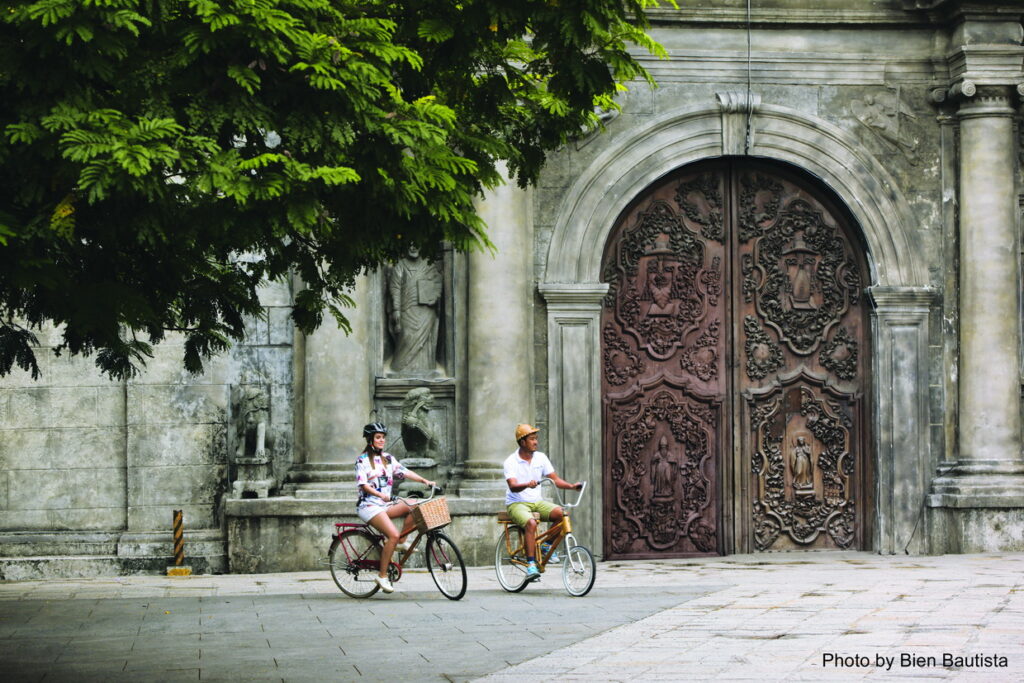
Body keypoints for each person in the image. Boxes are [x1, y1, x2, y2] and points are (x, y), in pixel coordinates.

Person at [354, 422, 435, 593]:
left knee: (416, 504)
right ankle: (382, 576)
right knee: (392, 534)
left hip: (385, 504)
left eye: (383, 437)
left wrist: (424, 481)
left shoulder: (388, 459)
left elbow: (405, 472)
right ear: (370, 440)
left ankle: (401, 543)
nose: (381, 440)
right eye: (378, 437)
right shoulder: (362, 461)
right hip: (369, 505)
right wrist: (380, 495)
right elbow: (363, 485)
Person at [503, 424, 582, 581]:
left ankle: (545, 546)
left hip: (536, 501)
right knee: (531, 524)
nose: (535, 442)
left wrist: (572, 487)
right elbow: (512, 486)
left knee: (562, 513)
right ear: (522, 442)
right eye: (532, 439)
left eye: (536, 439)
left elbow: (555, 480)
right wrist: (527, 484)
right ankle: (531, 564)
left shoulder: (541, 457)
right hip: (517, 503)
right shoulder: (511, 461)